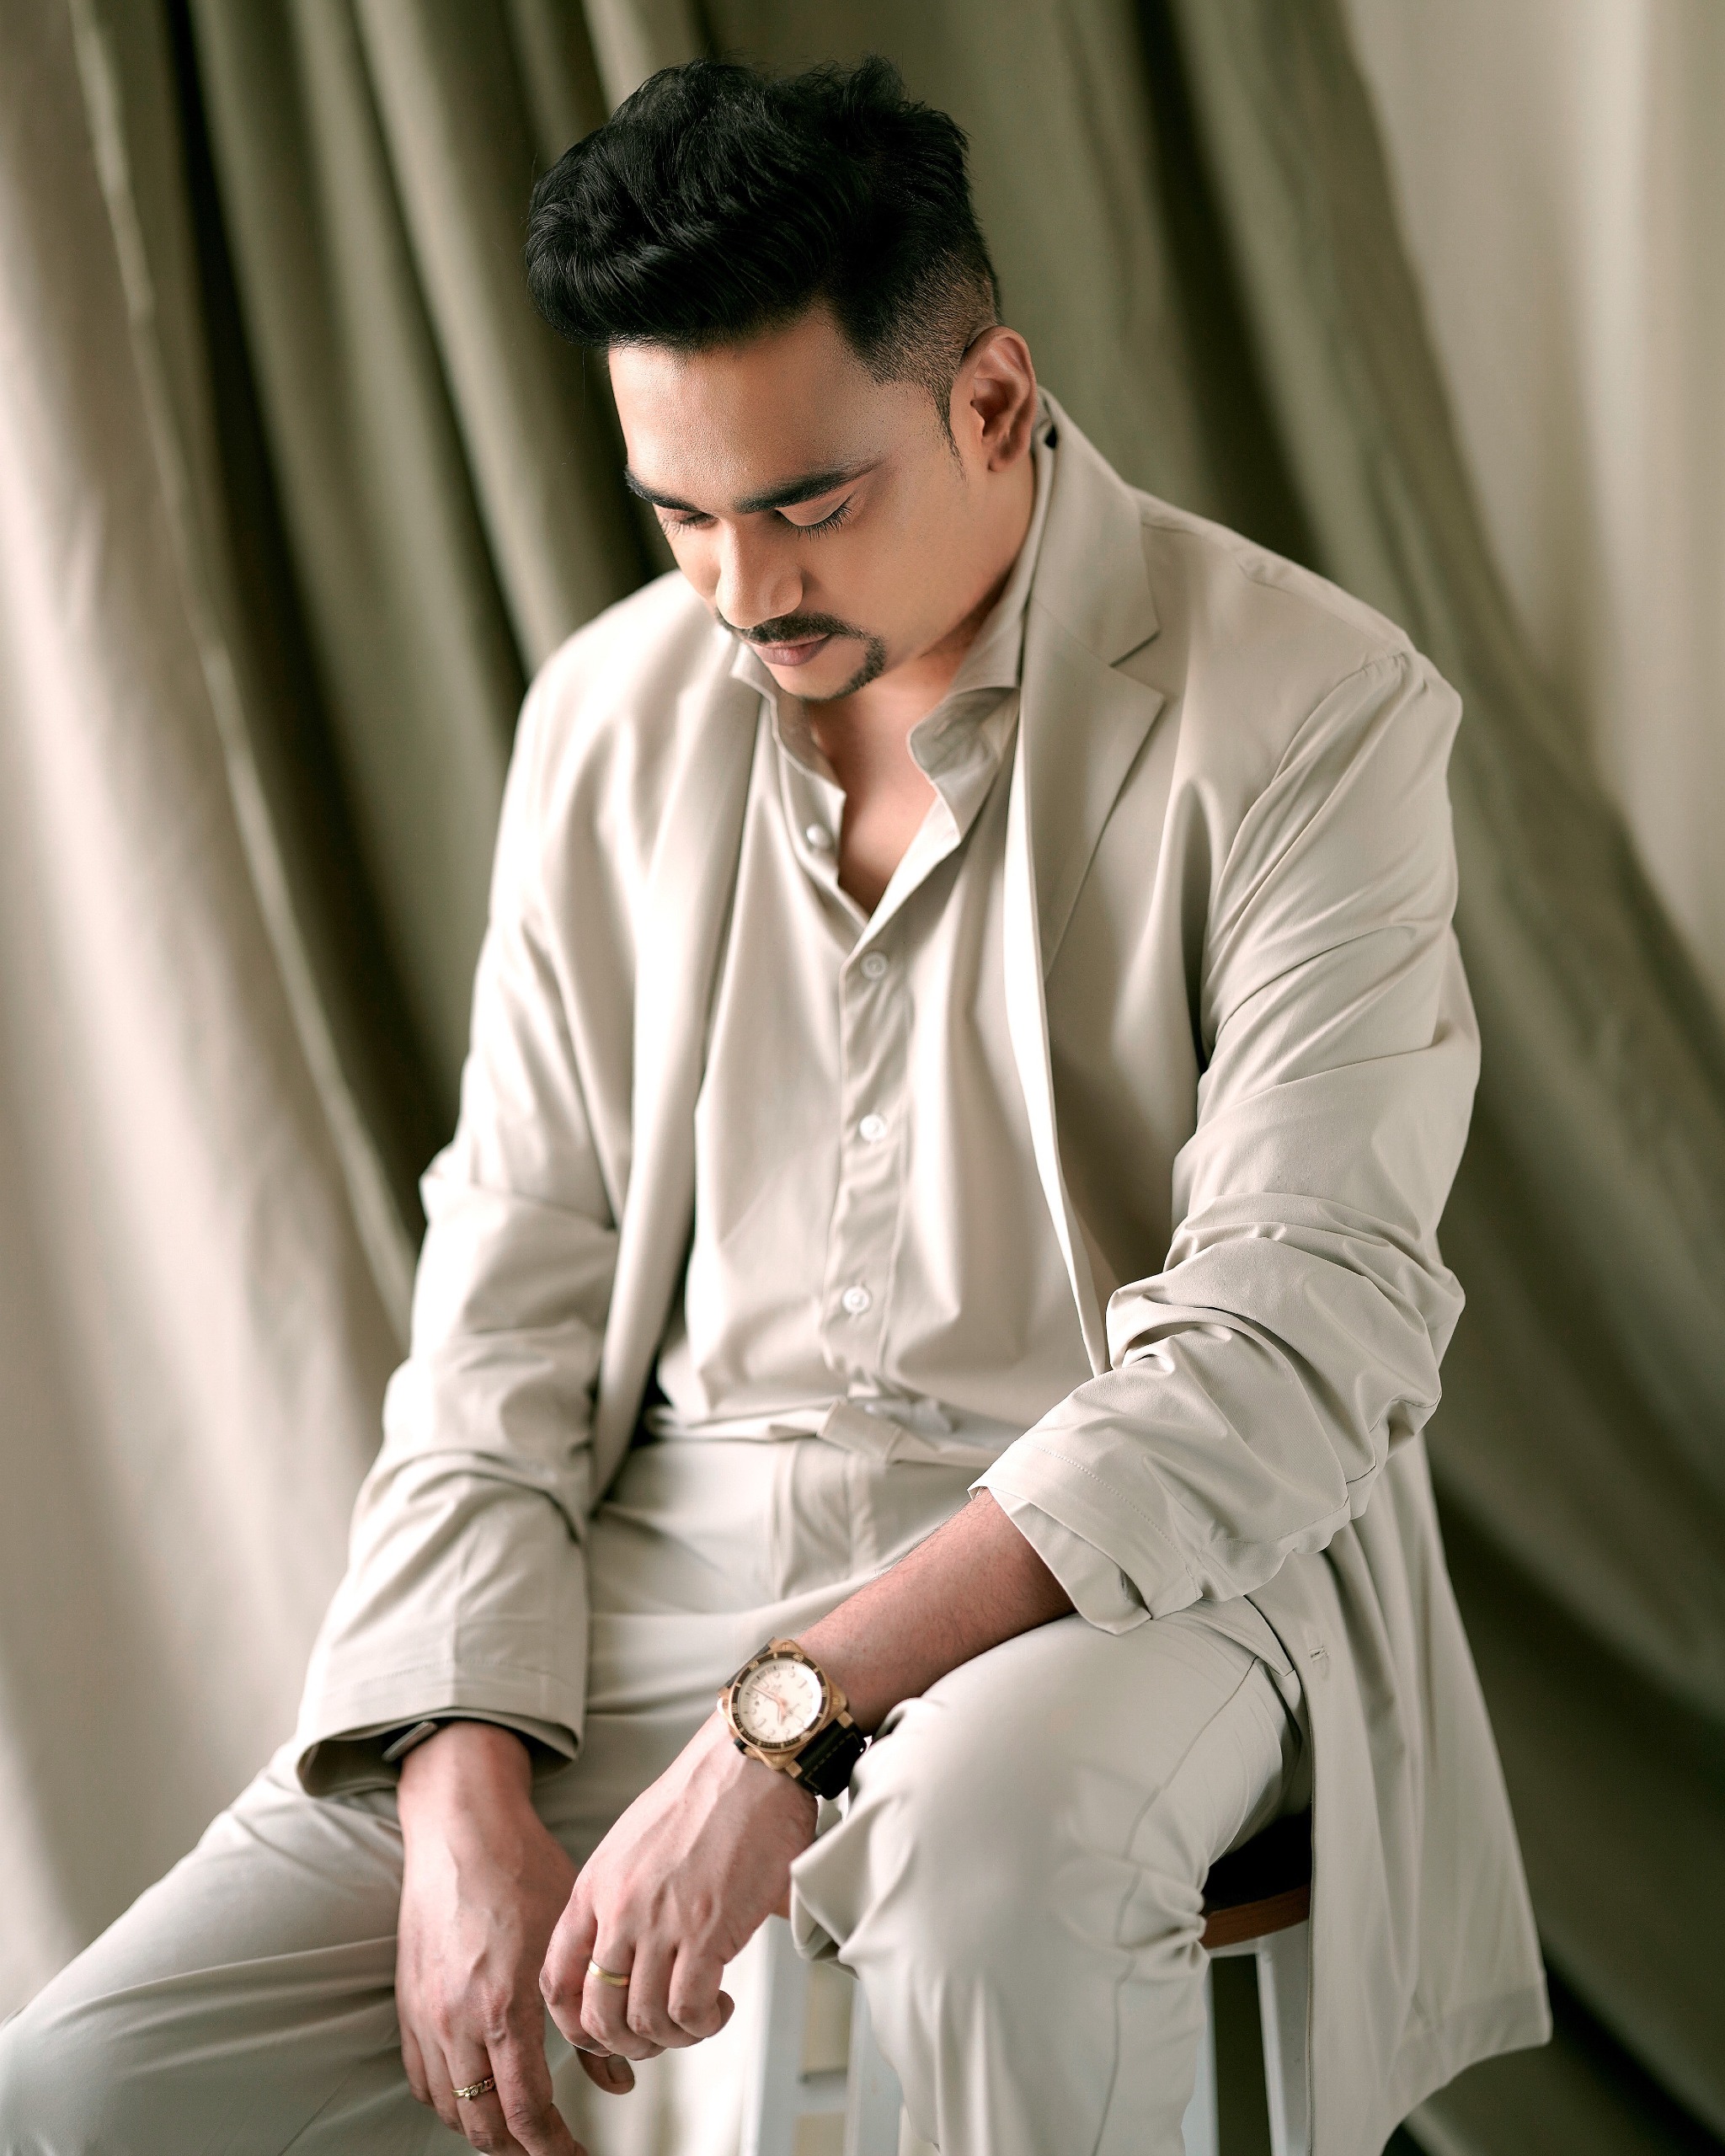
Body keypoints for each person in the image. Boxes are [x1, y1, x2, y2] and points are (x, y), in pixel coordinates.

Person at [0, 56, 1548, 2156]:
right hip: (665, 1566)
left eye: (806, 503)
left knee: (989, 1864)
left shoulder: (1312, 710)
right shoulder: (602, 720)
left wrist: (782, 1722)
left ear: (989, 400)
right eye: (680, 514)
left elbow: (1292, 1335)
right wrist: (454, 1770)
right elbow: (502, 1309)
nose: (739, 587)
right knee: (85, 2082)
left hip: (1124, 1563)